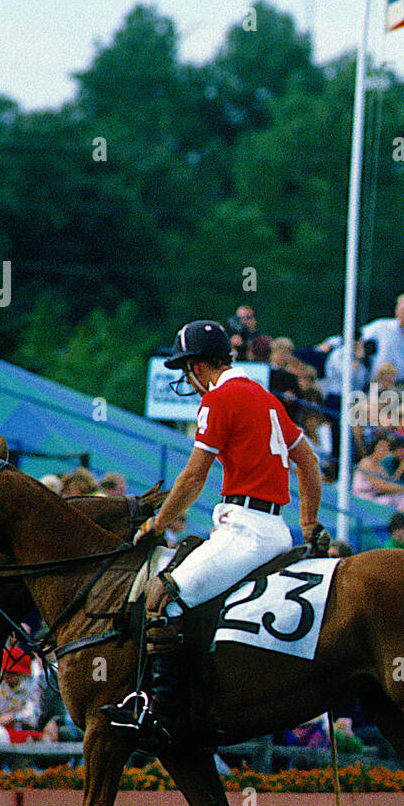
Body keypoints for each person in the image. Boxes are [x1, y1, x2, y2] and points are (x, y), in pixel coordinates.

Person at [103, 320, 326, 749]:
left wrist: (157, 523)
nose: (188, 379)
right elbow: (310, 464)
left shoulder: (221, 398)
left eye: (187, 369)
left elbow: (191, 478)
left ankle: (161, 715)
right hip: (277, 531)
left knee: (161, 595)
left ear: (200, 366)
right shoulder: (267, 398)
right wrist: (310, 524)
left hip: (246, 532)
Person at [361, 293, 404, 390]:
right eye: (403, 310)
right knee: (372, 405)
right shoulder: (381, 326)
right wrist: (332, 342)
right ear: (396, 311)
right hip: (380, 383)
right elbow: (356, 336)